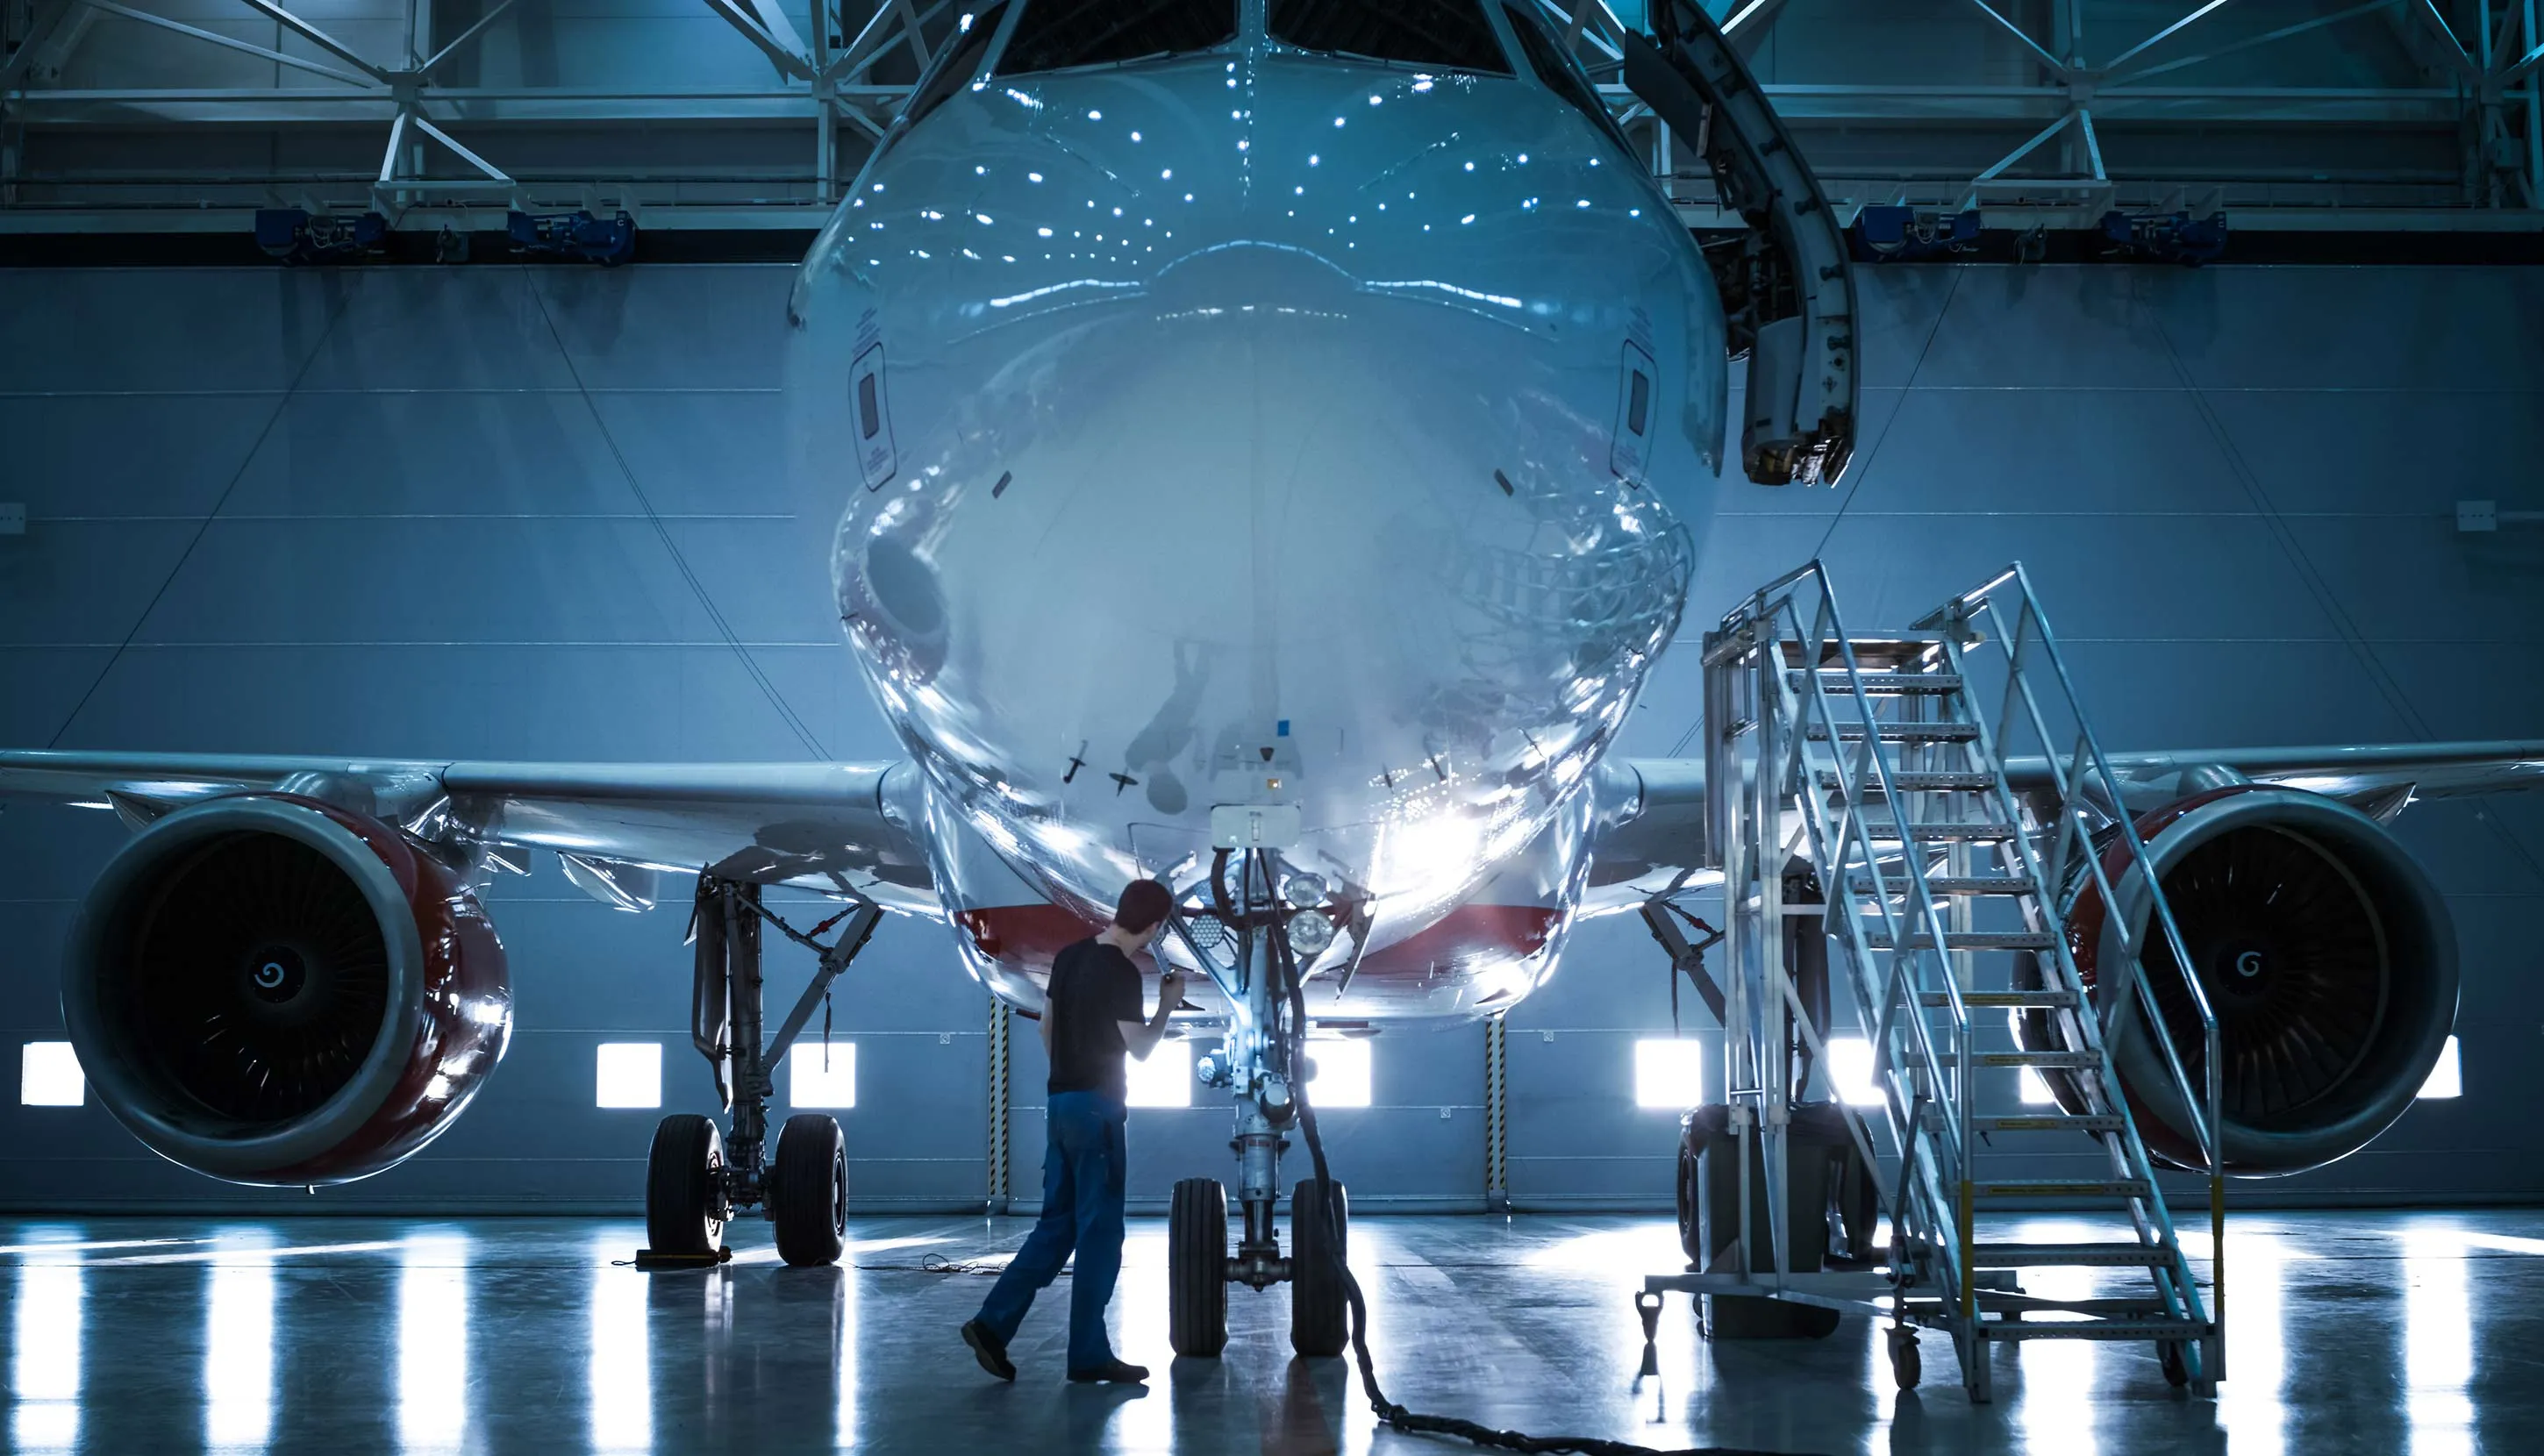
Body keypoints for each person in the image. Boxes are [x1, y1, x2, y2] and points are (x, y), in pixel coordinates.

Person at [962, 878, 1186, 1384]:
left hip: (1061, 1104)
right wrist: (1169, 1001)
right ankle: (1087, 1354)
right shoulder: (1123, 973)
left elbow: (1046, 1029)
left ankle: (992, 1323)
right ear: (1152, 928)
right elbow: (1143, 1049)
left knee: (1056, 1225)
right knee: (1100, 1235)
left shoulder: (1068, 958)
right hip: (1098, 1112)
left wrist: (1070, 1076)